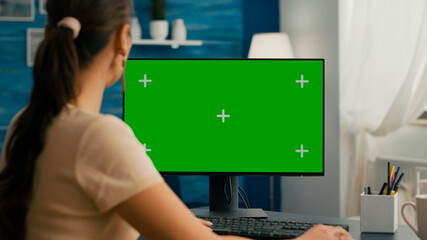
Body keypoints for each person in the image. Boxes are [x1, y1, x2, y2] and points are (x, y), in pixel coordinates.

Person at [0, 1, 354, 240]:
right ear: (125, 39)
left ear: (48, 35)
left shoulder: (24, 123)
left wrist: (176, 223)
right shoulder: (99, 136)